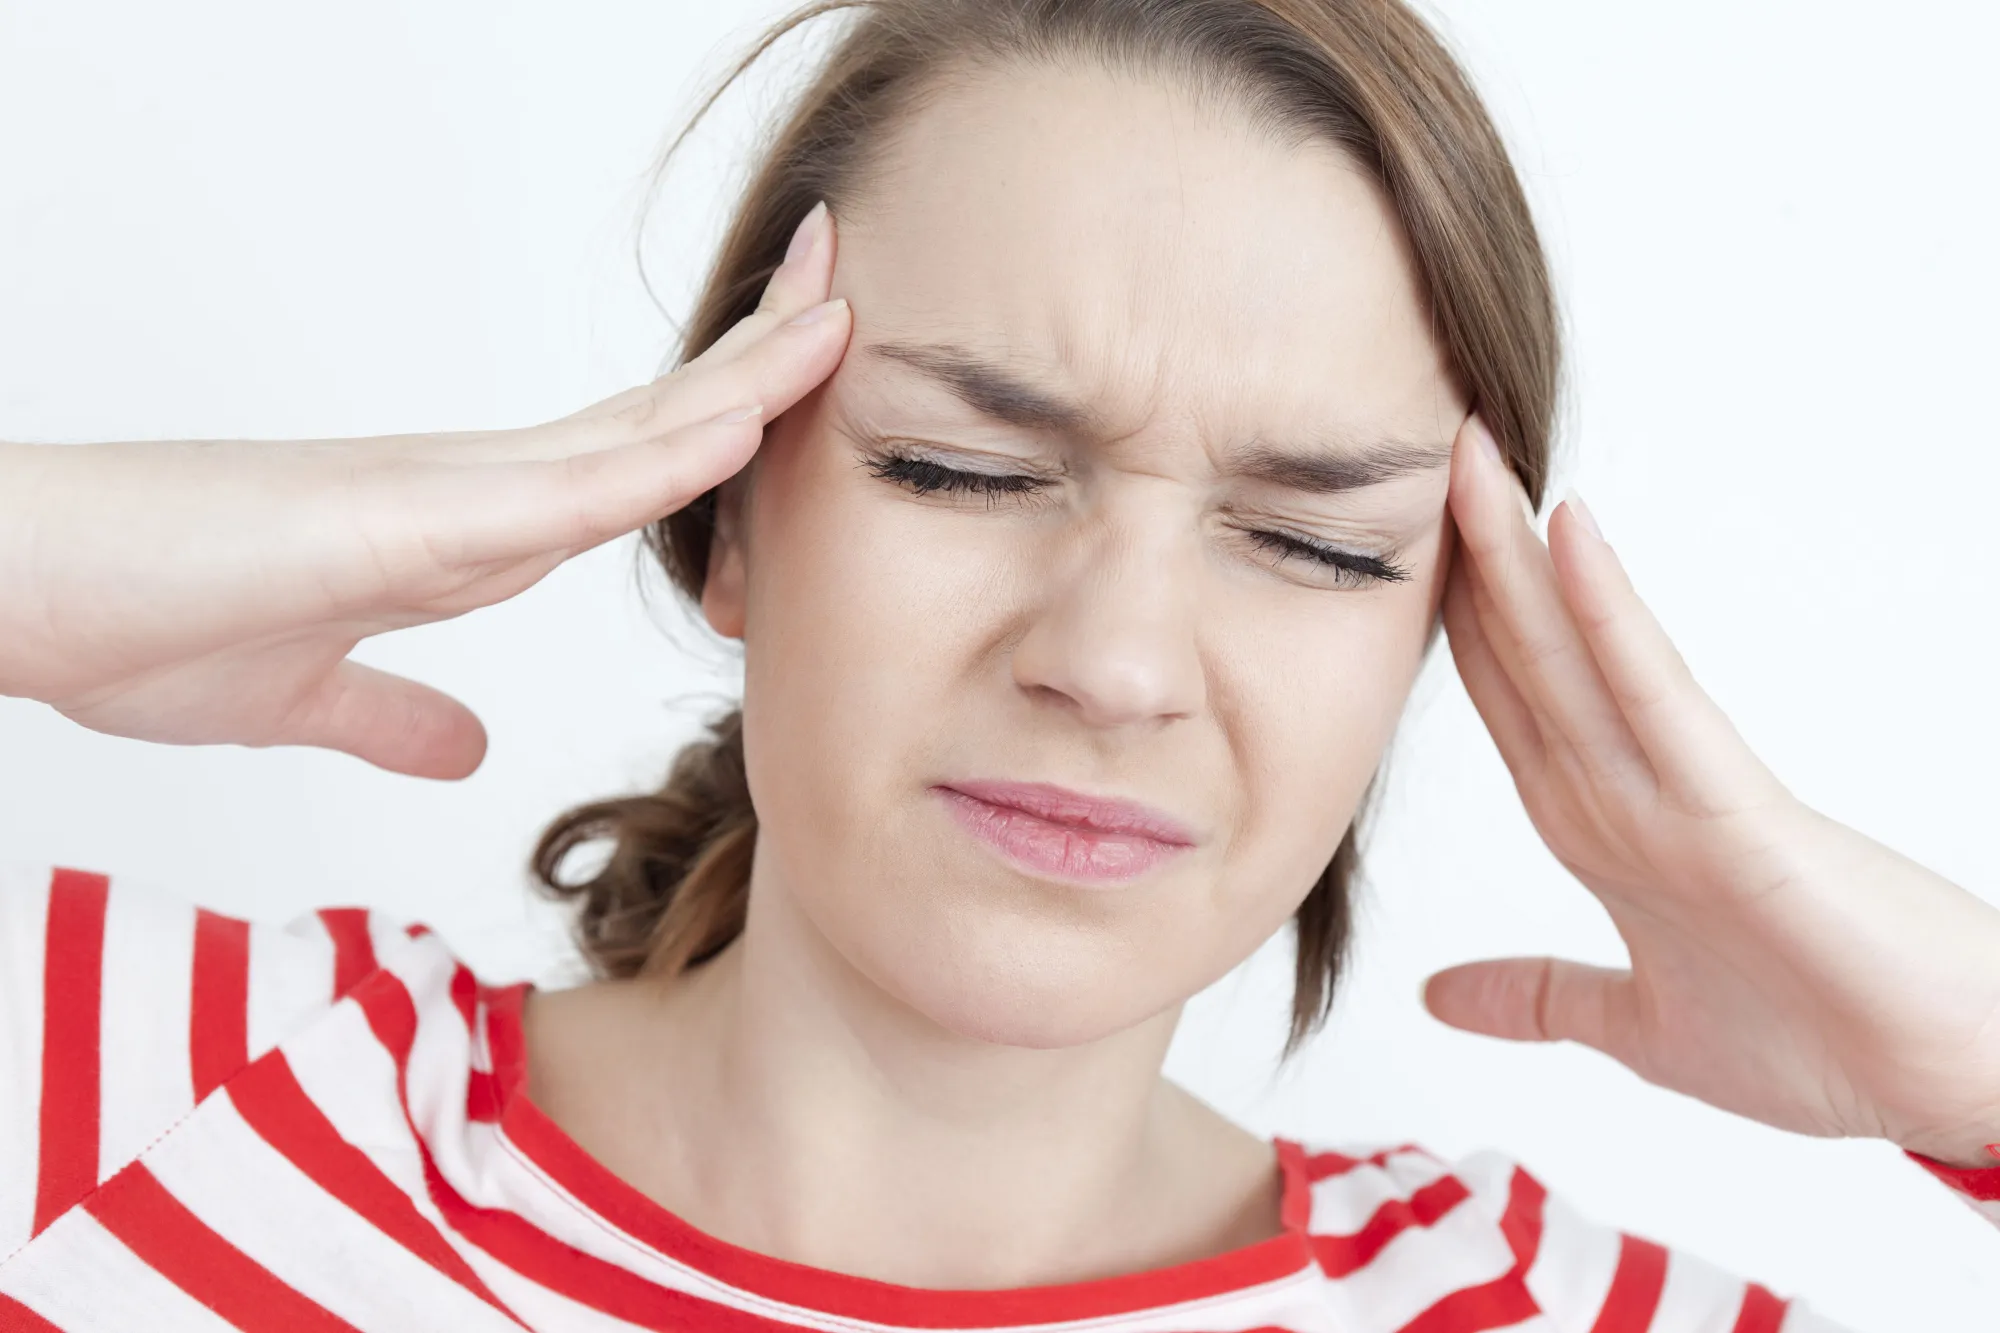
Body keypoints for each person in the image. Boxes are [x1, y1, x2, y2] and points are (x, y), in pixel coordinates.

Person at [0, 0, 1994, 1328]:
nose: (1116, 662)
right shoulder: (109, 1092)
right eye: (960, 469)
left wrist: (1978, 1076)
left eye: (1311, 542)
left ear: (1438, 637)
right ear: (724, 506)